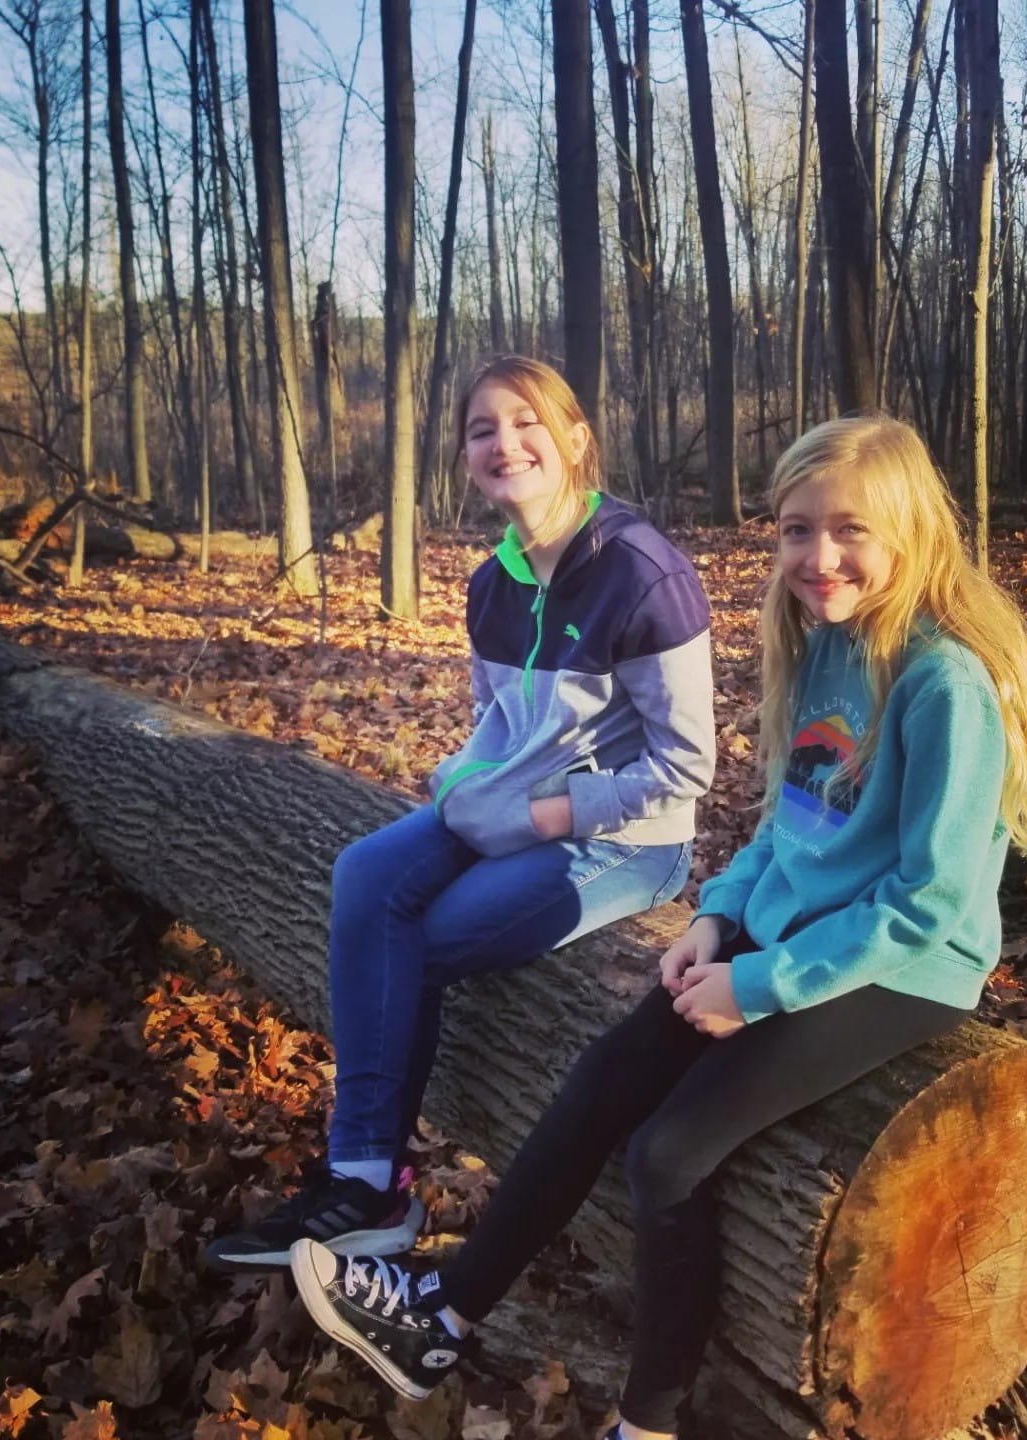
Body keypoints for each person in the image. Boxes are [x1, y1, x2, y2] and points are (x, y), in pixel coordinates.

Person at [285, 415, 1027, 1440]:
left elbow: (930, 901)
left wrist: (761, 985)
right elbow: (790, 822)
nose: (818, 558)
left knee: (670, 1152)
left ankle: (648, 1424)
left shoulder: (942, 683)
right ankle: (444, 1317)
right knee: (606, 1074)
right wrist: (720, 916)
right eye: (796, 530)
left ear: (911, 530)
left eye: (850, 530)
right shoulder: (827, 645)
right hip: (791, 928)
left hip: (901, 967)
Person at [205, 355, 715, 1272]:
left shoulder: (644, 575)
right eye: (483, 430)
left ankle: (375, 1185)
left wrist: (548, 816)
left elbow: (687, 767)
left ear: (575, 439)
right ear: (466, 456)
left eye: (526, 423)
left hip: (628, 840)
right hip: (509, 807)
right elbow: (498, 721)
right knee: (366, 871)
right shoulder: (492, 584)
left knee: (425, 941)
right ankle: (362, 1176)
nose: (504, 444)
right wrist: (472, 789)